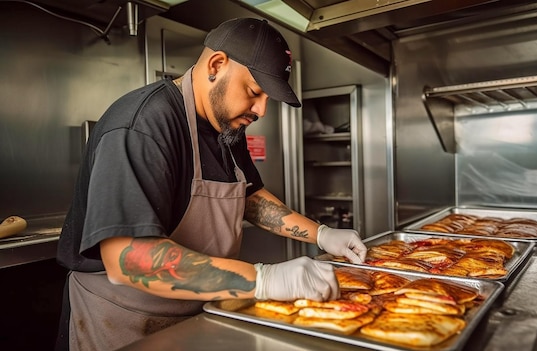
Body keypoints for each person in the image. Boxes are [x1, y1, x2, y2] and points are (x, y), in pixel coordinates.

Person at [55, 17, 367, 351]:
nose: (261, 109)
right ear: (217, 64)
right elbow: (130, 258)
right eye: (254, 92)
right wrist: (263, 279)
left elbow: (250, 197)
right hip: (122, 322)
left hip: (196, 312)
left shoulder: (226, 129)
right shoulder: (143, 124)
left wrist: (320, 234)